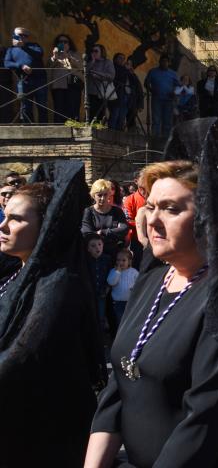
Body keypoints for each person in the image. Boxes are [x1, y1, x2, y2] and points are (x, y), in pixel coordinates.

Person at [86, 118, 218, 466]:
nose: (153, 220)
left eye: (171, 209)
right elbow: (121, 381)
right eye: (151, 207)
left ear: (209, 219)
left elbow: (203, 417)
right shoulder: (152, 278)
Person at [0, 162, 104, 467]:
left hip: (42, 435)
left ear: (44, 227)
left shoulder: (59, 284)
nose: (3, 227)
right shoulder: (16, 274)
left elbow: (22, 357)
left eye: (16, 220)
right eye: (5, 217)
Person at [4, 27, 47, 123]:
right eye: (19, 35)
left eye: (25, 36)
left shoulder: (34, 46)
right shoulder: (11, 50)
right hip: (23, 80)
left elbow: (39, 54)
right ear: (14, 37)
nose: (22, 37)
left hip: (39, 79)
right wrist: (21, 66)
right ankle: (28, 128)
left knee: (42, 105)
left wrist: (23, 46)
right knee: (25, 106)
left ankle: (44, 128)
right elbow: (7, 63)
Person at [81, 178, 129, 260]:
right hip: (94, 256)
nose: (103, 198)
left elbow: (124, 229)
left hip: (114, 255)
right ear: (93, 195)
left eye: (105, 194)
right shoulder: (88, 211)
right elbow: (87, 233)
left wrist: (103, 232)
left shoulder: (117, 211)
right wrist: (113, 233)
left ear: (109, 195)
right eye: (99, 195)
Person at [49, 33, 83, 123]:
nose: (63, 44)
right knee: (59, 108)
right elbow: (49, 67)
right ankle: (59, 128)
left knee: (73, 107)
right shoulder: (54, 55)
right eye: (60, 42)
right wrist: (55, 56)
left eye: (65, 42)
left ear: (69, 43)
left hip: (73, 84)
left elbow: (80, 66)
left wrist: (68, 57)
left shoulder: (75, 54)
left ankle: (74, 127)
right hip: (58, 85)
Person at [144, 54, 179, 136]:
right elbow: (146, 83)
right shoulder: (152, 71)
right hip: (156, 99)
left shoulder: (173, 73)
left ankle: (165, 140)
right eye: (162, 61)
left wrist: (174, 92)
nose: (164, 63)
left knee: (167, 121)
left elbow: (178, 86)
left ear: (169, 63)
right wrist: (152, 90)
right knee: (156, 120)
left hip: (169, 100)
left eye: (166, 61)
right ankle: (155, 139)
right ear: (159, 62)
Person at [106, 248, 138, 324]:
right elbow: (111, 282)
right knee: (120, 321)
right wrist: (118, 272)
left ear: (129, 261)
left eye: (123, 260)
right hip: (118, 303)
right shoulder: (114, 271)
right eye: (118, 260)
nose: (120, 262)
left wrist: (134, 289)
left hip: (130, 302)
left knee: (131, 320)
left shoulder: (134, 272)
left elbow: (139, 283)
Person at [86, 44, 116, 123]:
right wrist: (92, 62)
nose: (94, 53)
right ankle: (91, 128)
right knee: (90, 112)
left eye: (96, 51)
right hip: (90, 91)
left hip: (102, 92)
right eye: (92, 51)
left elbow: (111, 76)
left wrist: (97, 74)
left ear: (101, 52)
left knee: (100, 113)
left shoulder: (107, 62)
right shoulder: (90, 62)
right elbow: (85, 72)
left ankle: (99, 129)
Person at [123, 173, 146, 270]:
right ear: (136, 181)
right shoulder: (130, 199)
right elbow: (128, 220)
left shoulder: (156, 196)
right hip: (137, 239)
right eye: (143, 178)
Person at [124, 59, 145, 131]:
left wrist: (140, 105)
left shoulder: (134, 76)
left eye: (129, 64)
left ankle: (131, 133)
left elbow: (139, 90)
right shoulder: (120, 72)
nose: (127, 65)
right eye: (126, 63)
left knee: (131, 119)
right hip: (122, 99)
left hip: (132, 100)